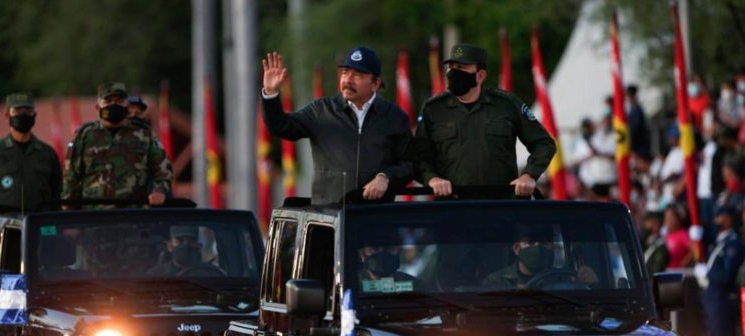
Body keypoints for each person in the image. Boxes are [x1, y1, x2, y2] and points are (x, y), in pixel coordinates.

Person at [261, 47, 412, 204]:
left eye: (357, 75)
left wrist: (385, 178)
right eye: (345, 72)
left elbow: (410, 164)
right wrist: (270, 94)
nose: (347, 80)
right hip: (329, 217)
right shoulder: (322, 111)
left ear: (375, 83)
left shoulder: (394, 117)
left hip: (374, 218)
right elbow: (281, 126)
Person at [408, 44, 555, 198]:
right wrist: (432, 178)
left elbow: (544, 144)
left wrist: (529, 175)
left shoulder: (507, 105)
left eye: (461, 67)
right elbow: (418, 157)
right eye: (451, 67)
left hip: (500, 206)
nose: (453, 72)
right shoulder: (434, 109)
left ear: (480, 75)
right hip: (452, 208)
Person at [62, 82, 173, 208]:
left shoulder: (145, 134)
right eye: (108, 101)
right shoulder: (84, 136)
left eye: (119, 101)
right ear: (98, 106)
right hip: (93, 219)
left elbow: (164, 171)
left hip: (134, 218)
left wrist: (159, 191)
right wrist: (70, 218)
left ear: (127, 105)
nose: (114, 105)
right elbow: (70, 180)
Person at [0, 93, 62, 226]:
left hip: (40, 226)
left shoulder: (48, 154)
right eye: (17, 110)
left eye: (28, 111)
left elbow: (58, 193)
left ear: (34, 115)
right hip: (6, 226)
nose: (23, 115)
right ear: (8, 115)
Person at [482, 226, 597, 289]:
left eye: (544, 242)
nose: (537, 246)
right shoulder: (496, 281)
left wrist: (589, 284)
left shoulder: (564, 279)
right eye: (531, 242)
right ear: (517, 248)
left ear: (553, 248)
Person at [698, 206, 744, 336]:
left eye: (721, 216)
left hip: (722, 297)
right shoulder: (718, 241)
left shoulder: (733, 243)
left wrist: (708, 273)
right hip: (711, 295)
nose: (717, 220)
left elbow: (727, 274)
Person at [149, 226, 226, 276]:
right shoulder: (156, 275)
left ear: (199, 246)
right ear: (170, 245)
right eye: (180, 240)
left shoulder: (210, 273)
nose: (186, 245)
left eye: (191, 241)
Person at [626, 85, 650, 159]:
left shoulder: (636, 109)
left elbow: (635, 129)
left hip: (638, 146)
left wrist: (632, 147)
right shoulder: (632, 108)